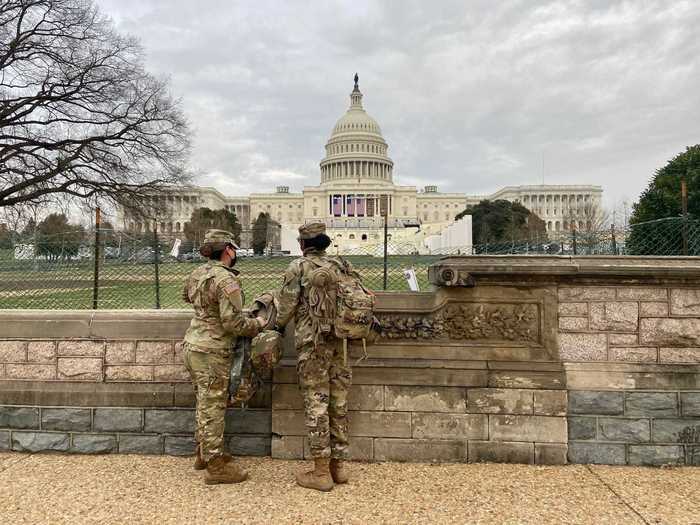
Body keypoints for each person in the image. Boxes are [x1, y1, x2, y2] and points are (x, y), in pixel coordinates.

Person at [181, 229, 266, 485]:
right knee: (214, 406)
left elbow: (186, 296)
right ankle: (216, 466)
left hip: (193, 345)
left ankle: (203, 453)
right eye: (234, 249)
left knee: (204, 402)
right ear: (228, 249)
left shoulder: (197, 273)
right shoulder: (226, 279)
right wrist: (258, 323)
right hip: (213, 350)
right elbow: (232, 323)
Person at [276, 222, 352, 492]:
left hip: (313, 346)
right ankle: (339, 468)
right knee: (339, 403)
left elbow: (284, 309)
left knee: (317, 404)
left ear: (302, 245)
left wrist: (273, 327)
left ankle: (321, 472)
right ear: (326, 243)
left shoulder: (298, 267)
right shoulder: (341, 266)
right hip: (341, 343)